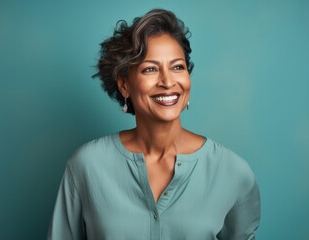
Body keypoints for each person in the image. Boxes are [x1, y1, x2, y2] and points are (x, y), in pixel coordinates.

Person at [47, 8, 260, 240]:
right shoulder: (86, 166)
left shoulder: (232, 172)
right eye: (150, 69)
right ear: (125, 85)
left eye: (177, 67)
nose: (168, 81)